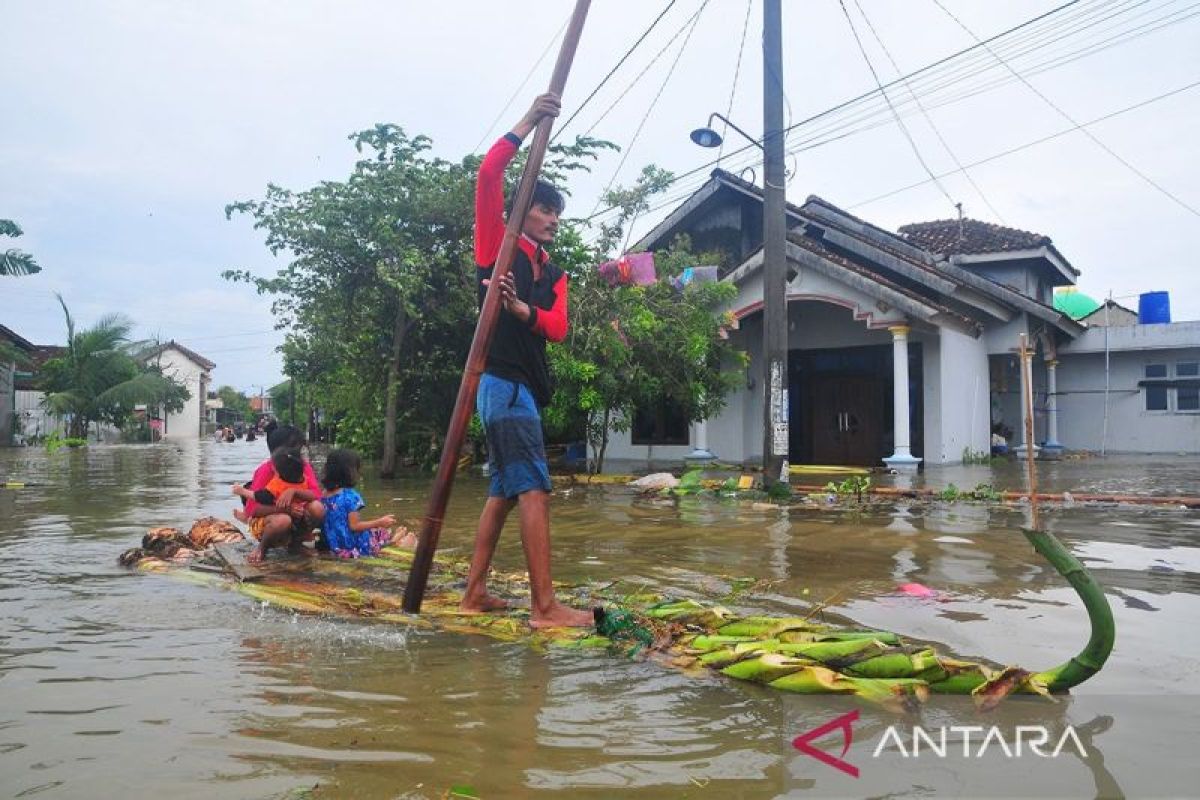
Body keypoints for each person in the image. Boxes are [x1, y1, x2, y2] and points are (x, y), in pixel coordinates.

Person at [458, 93, 592, 628]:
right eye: (543, 208)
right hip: (502, 384)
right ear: (522, 211)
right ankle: (544, 607)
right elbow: (488, 174)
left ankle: (473, 593)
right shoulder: (499, 241)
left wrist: (519, 308)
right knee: (534, 488)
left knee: (503, 493)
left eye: (556, 212)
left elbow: (558, 328)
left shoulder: (553, 272)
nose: (552, 219)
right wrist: (529, 121)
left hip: (522, 389)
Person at [319, 448, 417, 558]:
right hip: (350, 545)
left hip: (335, 545)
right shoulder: (350, 496)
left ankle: (395, 539)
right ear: (348, 472)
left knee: (375, 531)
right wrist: (379, 522)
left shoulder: (324, 494)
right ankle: (396, 542)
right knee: (378, 531)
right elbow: (354, 526)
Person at [232, 445, 324, 563]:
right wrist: (286, 509)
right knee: (283, 519)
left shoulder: (299, 480)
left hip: (296, 518)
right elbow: (256, 504)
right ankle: (262, 548)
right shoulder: (276, 484)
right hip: (274, 519)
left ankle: (295, 544)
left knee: (317, 507)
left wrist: (294, 492)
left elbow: (315, 495)